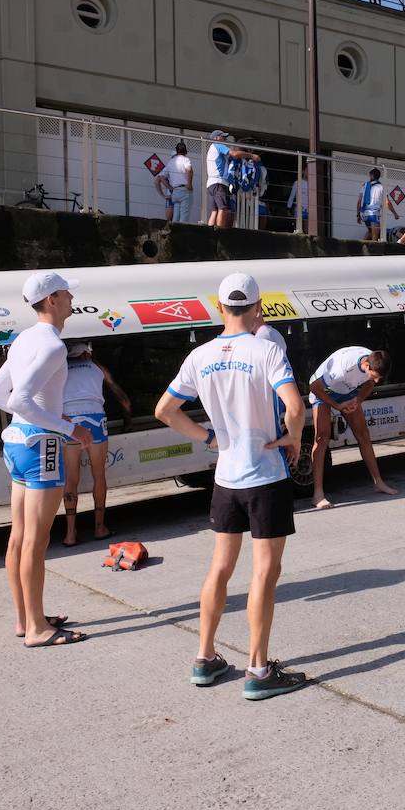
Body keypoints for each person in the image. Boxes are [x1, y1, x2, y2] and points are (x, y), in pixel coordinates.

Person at [153, 273, 308, 700]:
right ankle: (258, 669)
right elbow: (295, 406)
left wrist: (208, 438)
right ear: (259, 308)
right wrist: (292, 437)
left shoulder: (199, 356)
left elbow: (165, 410)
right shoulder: (268, 350)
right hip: (265, 476)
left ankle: (205, 658)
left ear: (218, 307)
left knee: (220, 568)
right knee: (264, 572)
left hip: (226, 477)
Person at [0, 271, 94, 648]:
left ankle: (26, 619)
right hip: (41, 445)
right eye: (66, 295)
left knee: (20, 537)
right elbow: (18, 399)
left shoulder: (23, 340)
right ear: (51, 301)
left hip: (16, 440)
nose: (71, 300)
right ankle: (37, 630)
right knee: (36, 540)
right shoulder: (52, 345)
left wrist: (35, 422)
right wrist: (67, 428)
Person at [60, 341, 132, 547]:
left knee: (71, 479)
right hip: (95, 419)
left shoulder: (59, 368)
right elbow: (122, 397)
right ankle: (100, 527)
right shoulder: (97, 367)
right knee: (98, 474)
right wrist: (127, 419)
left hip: (69, 421)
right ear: (85, 354)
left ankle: (70, 534)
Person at [307, 346, 398, 509]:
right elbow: (314, 387)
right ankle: (318, 494)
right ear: (366, 366)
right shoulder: (342, 368)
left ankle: (378, 482)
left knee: (363, 434)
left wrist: (358, 401)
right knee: (322, 438)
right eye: (375, 376)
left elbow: (369, 384)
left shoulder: (373, 359)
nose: (377, 381)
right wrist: (338, 406)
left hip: (346, 389)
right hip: (323, 389)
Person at [205, 130, 260, 229]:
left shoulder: (211, 149)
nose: (225, 139)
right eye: (223, 137)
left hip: (211, 183)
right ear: (216, 138)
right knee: (223, 209)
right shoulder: (218, 145)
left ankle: (208, 233)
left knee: (214, 211)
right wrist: (251, 156)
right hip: (219, 182)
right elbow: (233, 153)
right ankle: (219, 233)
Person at [357, 167, 398, 242]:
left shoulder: (364, 185)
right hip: (374, 214)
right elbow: (387, 202)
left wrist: (358, 215)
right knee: (374, 239)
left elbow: (359, 202)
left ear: (370, 175)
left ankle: (359, 247)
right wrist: (395, 214)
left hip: (364, 214)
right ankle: (372, 251)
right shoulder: (381, 187)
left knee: (370, 232)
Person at [164, 141, 195, 224]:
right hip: (184, 190)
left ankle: (174, 232)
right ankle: (181, 234)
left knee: (176, 216)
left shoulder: (171, 162)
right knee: (184, 216)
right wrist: (189, 184)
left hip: (175, 191)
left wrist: (170, 187)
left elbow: (161, 177)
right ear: (185, 151)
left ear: (177, 151)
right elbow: (189, 170)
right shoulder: (186, 159)